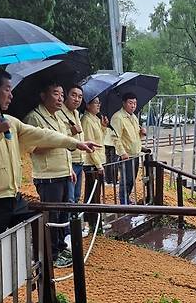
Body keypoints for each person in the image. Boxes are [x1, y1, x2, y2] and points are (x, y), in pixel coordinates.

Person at [0, 68, 98, 303]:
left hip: (12, 197)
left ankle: (41, 287)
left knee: (40, 225)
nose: (11, 95)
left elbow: (41, 135)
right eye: (6, 90)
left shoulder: (9, 119)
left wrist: (75, 143)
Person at [24, 81, 79, 268]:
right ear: (43, 95)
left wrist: (69, 168)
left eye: (62, 94)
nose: (60, 98)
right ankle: (51, 254)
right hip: (48, 176)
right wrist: (57, 141)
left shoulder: (59, 117)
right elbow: (32, 148)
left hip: (63, 173)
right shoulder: (34, 118)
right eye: (56, 94)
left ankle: (61, 246)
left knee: (63, 215)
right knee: (52, 217)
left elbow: (64, 148)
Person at [110, 93, 147, 204]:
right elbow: (115, 137)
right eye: (130, 103)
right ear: (124, 103)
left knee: (131, 180)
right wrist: (122, 153)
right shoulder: (118, 117)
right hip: (126, 155)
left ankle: (127, 199)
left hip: (135, 154)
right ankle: (123, 203)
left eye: (135, 103)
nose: (133, 106)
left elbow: (135, 135)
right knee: (125, 180)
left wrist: (141, 133)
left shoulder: (133, 117)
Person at [80, 96, 110, 232]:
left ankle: (96, 221)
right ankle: (90, 222)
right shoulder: (86, 120)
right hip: (92, 162)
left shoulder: (96, 119)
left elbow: (100, 141)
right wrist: (98, 164)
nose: (98, 105)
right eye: (95, 103)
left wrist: (103, 127)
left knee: (96, 193)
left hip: (98, 159)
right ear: (87, 105)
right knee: (92, 194)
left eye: (99, 102)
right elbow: (90, 145)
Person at [59, 85, 85, 207]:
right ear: (66, 96)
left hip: (80, 160)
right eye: (73, 95)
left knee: (76, 196)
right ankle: (68, 225)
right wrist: (72, 132)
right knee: (69, 200)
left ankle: (75, 224)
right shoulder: (59, 113)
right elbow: (58, 137)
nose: (77, 99)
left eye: (80, 97)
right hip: (69, 162)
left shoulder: (76, 113)